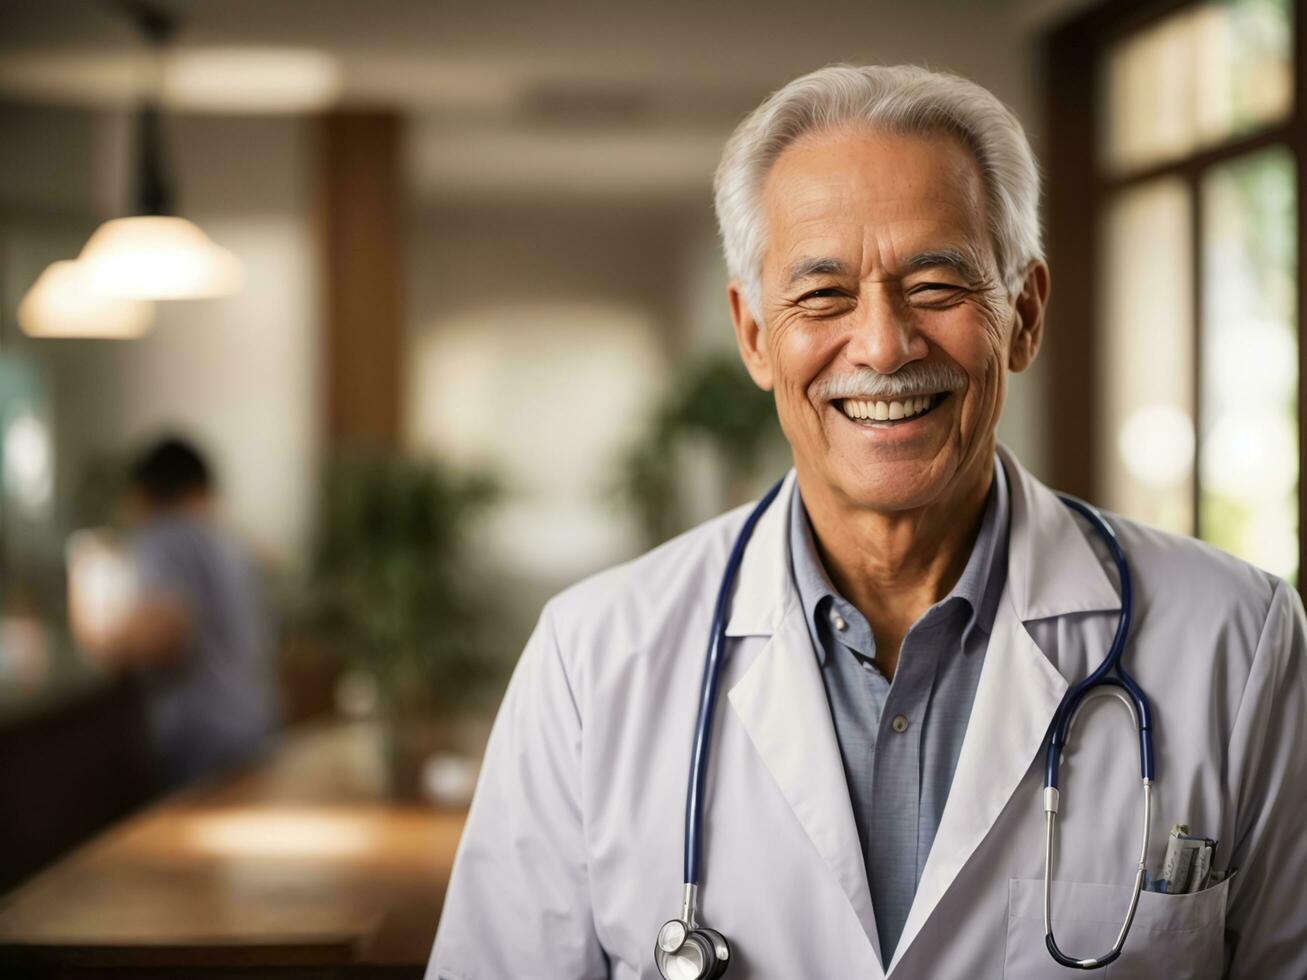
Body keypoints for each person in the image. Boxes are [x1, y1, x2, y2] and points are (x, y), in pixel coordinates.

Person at [427, 65, 1307, 979]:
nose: (883, 345)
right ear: (755, 334)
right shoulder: (592, 658)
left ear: (1025, 314)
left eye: (935, 284)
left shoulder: (1235, 639)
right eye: (821, 294)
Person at [75, 436, 278, 791]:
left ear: (141, 494)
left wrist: (100, 635)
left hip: (205, 740)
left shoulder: (167, 537)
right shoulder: (231, 542)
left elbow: (161, 638)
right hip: (252, 729)